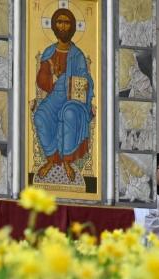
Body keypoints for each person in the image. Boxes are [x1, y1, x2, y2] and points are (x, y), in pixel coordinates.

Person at [32, 8, 94, 182]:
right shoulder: (49, 53)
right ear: (54, 25)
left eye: (67, 22)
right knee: (40, 117)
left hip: (74, 98)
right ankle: (52, 159)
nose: (63, 26)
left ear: (72, 26)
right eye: (59, 21)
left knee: (69, 114)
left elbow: (85, 80)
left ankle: (67, 161)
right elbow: (41, 80)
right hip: (55, 95)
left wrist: (73, 82)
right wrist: (52, 74)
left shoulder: (78, 55)